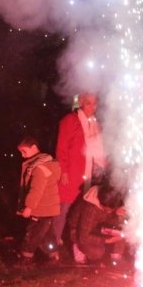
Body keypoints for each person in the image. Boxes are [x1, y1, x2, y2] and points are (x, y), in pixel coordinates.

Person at [55, 93, 106, 248]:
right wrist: (63, 171)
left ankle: (77, 244)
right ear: (82, 103)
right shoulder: (71, 120)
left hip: (88, 174)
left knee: (80, 211)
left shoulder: (94, 124)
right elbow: (61, 147)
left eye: (95, 104)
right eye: (89, 103)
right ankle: (53, 242)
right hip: (72, 172)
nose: (92, 107)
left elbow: (99, 151)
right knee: (63, 208)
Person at [16, 135, 62, 265]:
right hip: (48, 208)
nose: (23, 156)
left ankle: (26, 257)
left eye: (24, 151)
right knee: (47, 234)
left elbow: (36, 190)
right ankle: (53, 256)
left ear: (34, 147)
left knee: (32, 234)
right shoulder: (44, 164)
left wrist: (29, 207)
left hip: (40, 208)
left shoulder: (39, 168)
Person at [67, 183, 127, 266]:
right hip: (78, 232)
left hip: (96, 227)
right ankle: (78, 247)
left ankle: (116, 257)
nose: (109, 211)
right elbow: (83, 236)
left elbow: (106, 217)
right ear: (102, 204)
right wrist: (107, 240)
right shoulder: (90, 208)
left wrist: (115, 214)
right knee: (98, 252)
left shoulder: (108, 199)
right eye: (108, 209)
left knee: (122, 231)